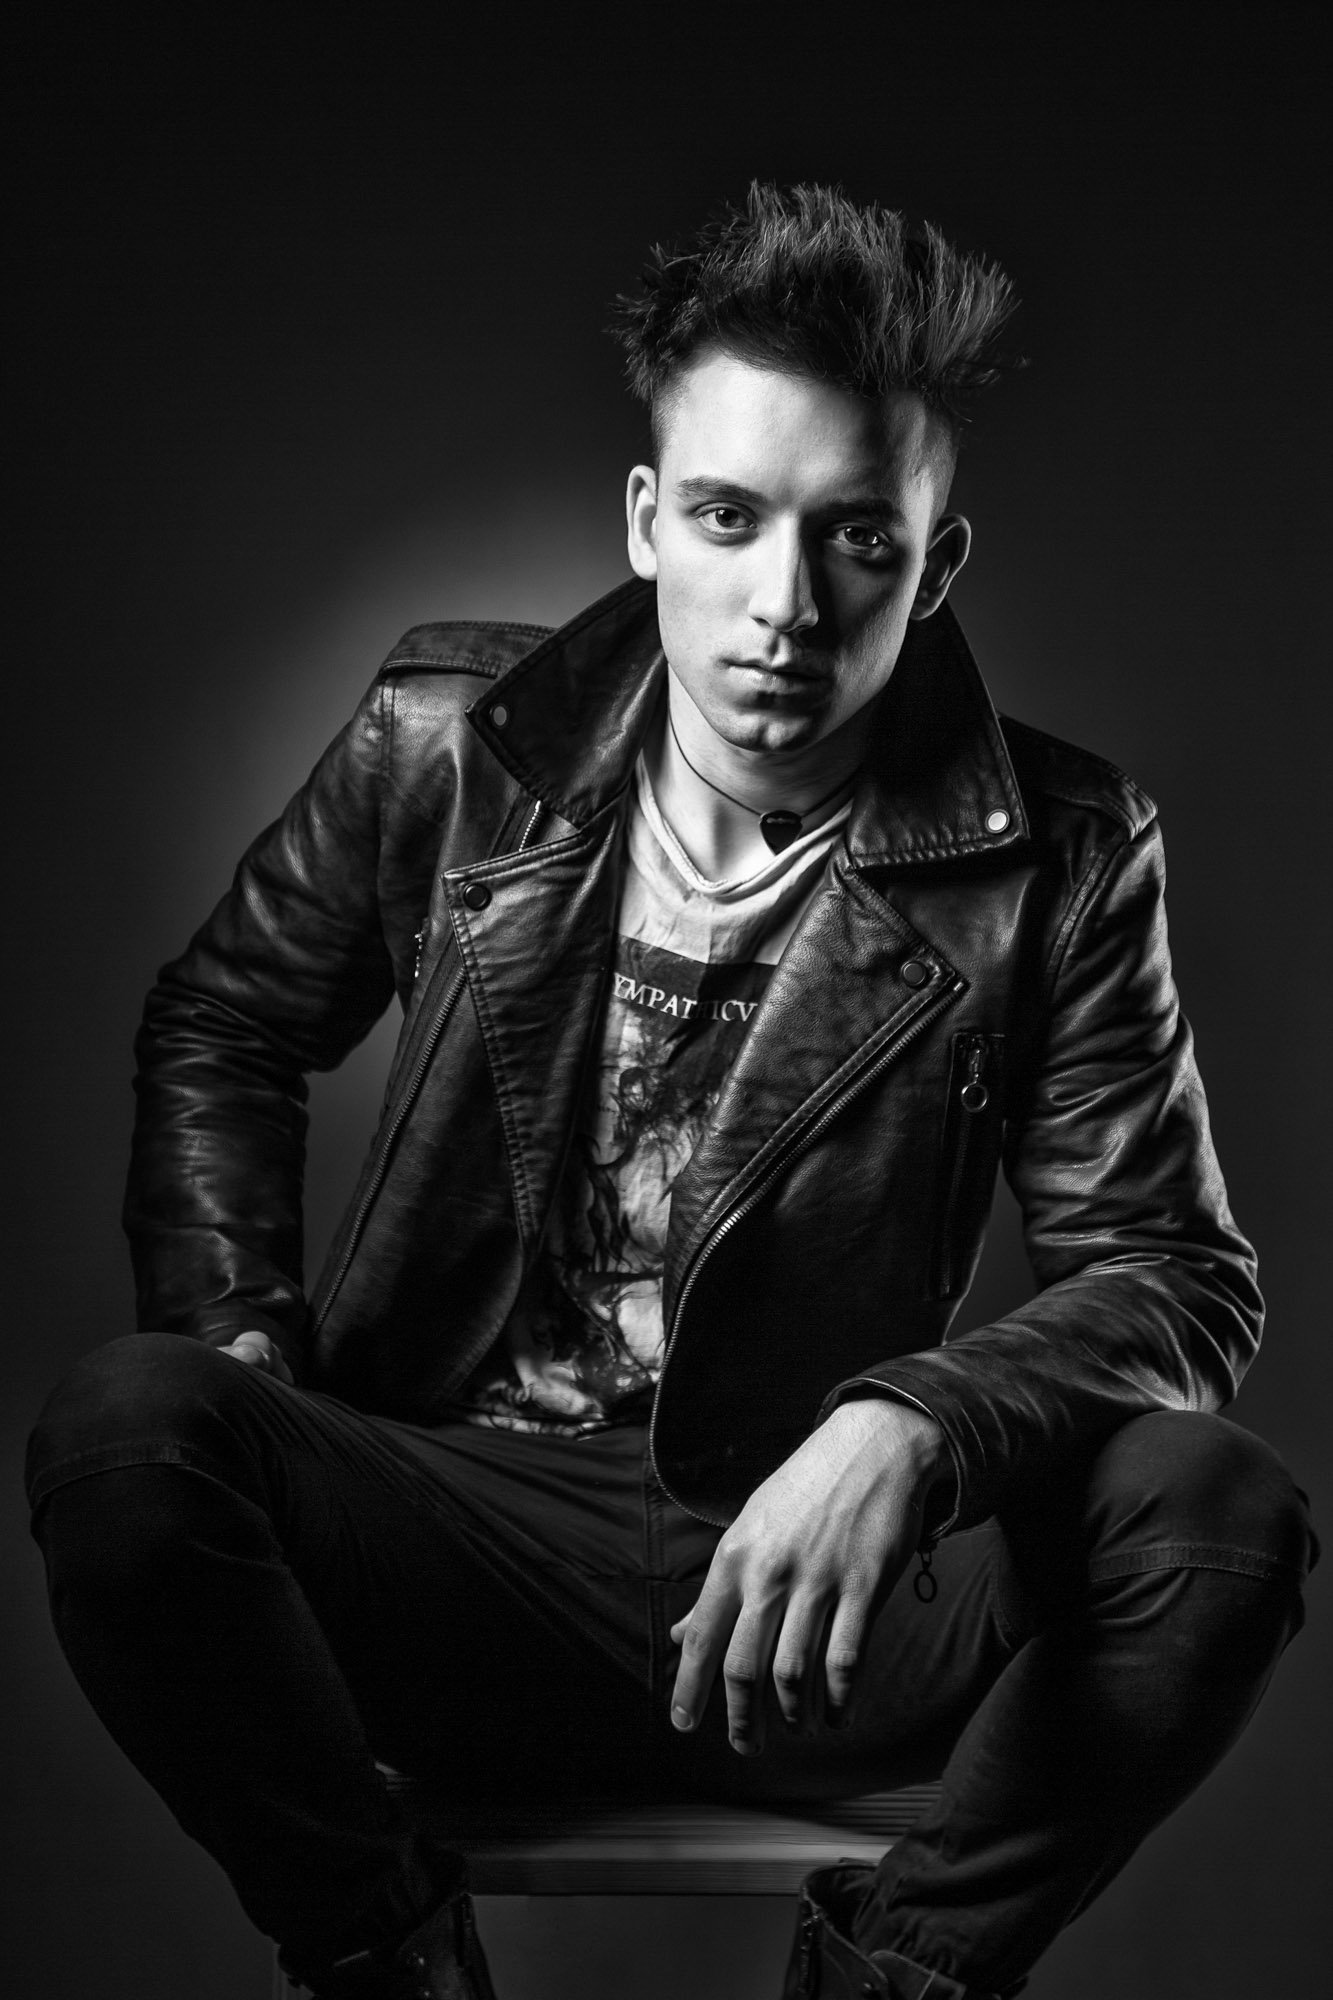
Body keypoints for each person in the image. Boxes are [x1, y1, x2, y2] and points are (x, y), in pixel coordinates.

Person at [26, 184, 1314, 2000]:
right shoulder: (447, 741)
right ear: (649, 523)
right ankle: (388, 1962)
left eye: (855, 539)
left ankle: (884, 1984)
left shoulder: (1068, 852)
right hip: (458, 1555)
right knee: (131, 1433)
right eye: (728, 518)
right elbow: (225, 1023)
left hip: (819, 1614)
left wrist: (910, 1425)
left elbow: (1177, 1275)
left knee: (1215, 1513)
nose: (784, 606)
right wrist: (241, 1331)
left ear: (933, 563)